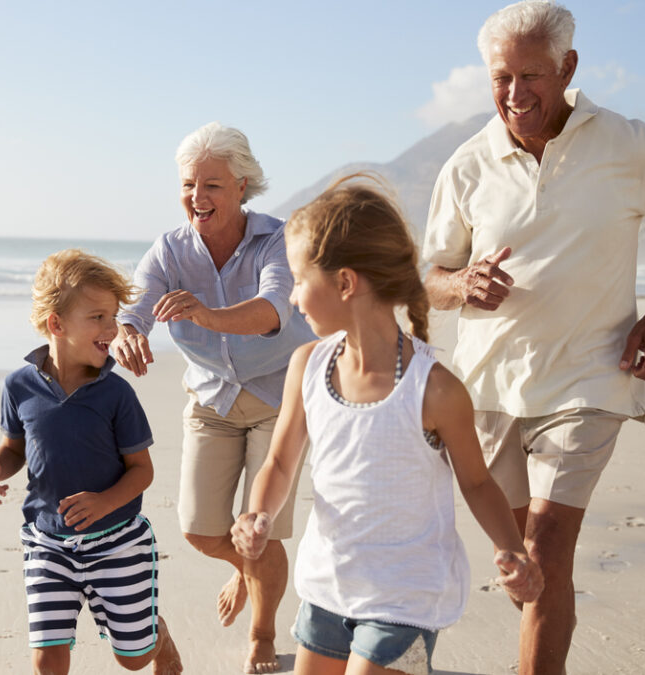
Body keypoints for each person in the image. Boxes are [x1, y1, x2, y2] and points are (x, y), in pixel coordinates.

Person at [422, 1, 645, 673]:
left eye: (531, 76)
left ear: (568, 67)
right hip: (487, 385)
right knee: (527, 565)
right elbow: (427, 275)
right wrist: (462, 286)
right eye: (500, 78)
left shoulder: (629, 144)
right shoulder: (466, 164)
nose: (515, 94)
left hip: (590, 376)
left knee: (545, 548)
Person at [231, 174, 544, 675]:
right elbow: (280, 461)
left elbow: (478, 482)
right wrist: (257, 514)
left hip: (405, 596)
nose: (290, 298)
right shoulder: (308, 365)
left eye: (298, 281)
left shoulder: (435, 390)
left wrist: (511, 549)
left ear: (345, 282)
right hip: (328, 585)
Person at [112, 122, 316, 673]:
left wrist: (205, 313)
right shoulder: (170, 250)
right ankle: (246, 567)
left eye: (213, 186)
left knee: (258, 527)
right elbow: (133, 306)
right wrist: (128, 332)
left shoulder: (277, 239)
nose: (197, 198)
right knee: (202, 530)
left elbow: (275, 308)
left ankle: (263, 635)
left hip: (281, 399)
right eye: (188, 185)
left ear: (243, 185)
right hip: (212, 402)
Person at [0, 249, 183, 675]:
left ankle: (156, 638)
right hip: (48, 541)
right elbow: (14, 446)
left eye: (114, 316)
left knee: (133, 658)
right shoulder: (19, 387)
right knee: (48, 659)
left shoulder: (116, 394)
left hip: (118, 541)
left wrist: (106, 502)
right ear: (57, 324)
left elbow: (142, 470)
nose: (113, 328)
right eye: (98, 318)